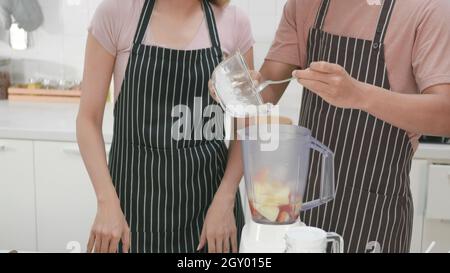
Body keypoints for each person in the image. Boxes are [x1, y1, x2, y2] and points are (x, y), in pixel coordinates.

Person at [252, 0, 450, 252]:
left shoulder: (428, 8)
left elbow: (446, 114)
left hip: (376, 217)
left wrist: (359, 95)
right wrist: (237, 89)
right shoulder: (305, 5)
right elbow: (263, 94)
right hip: (306, 220)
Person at [77, 0, 254, 253]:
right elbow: (88, 119)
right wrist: (106, 202)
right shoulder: (117, 13)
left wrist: (226, 201)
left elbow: (246, 127)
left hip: (212, 219)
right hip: (129, 216)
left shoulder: (234, 22)